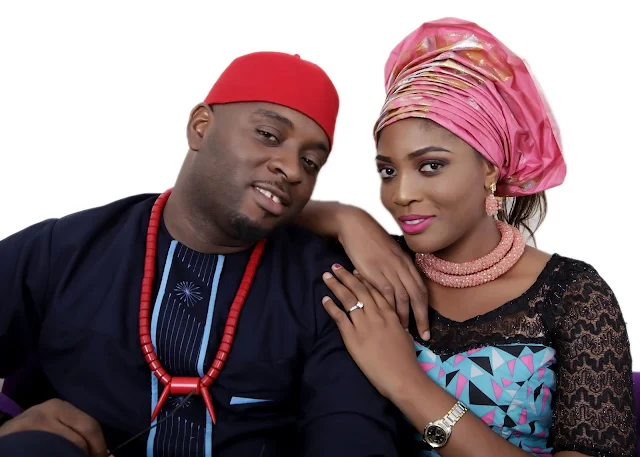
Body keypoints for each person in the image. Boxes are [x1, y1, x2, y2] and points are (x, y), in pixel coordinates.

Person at [0, 51, 407, 457]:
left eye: (311, 161)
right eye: (268, 135)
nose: (292, 169)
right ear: (200, 127)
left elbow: (352, 438)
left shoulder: (328, 288)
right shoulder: (66, 248)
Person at [297, 18, 637, 457]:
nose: (400, 194)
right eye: (388, 170)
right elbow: (246, 218)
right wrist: (345, 218)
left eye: (431, 165)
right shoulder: (375, 266)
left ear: (490, 169)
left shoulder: (573, 295)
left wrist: (407, 383)